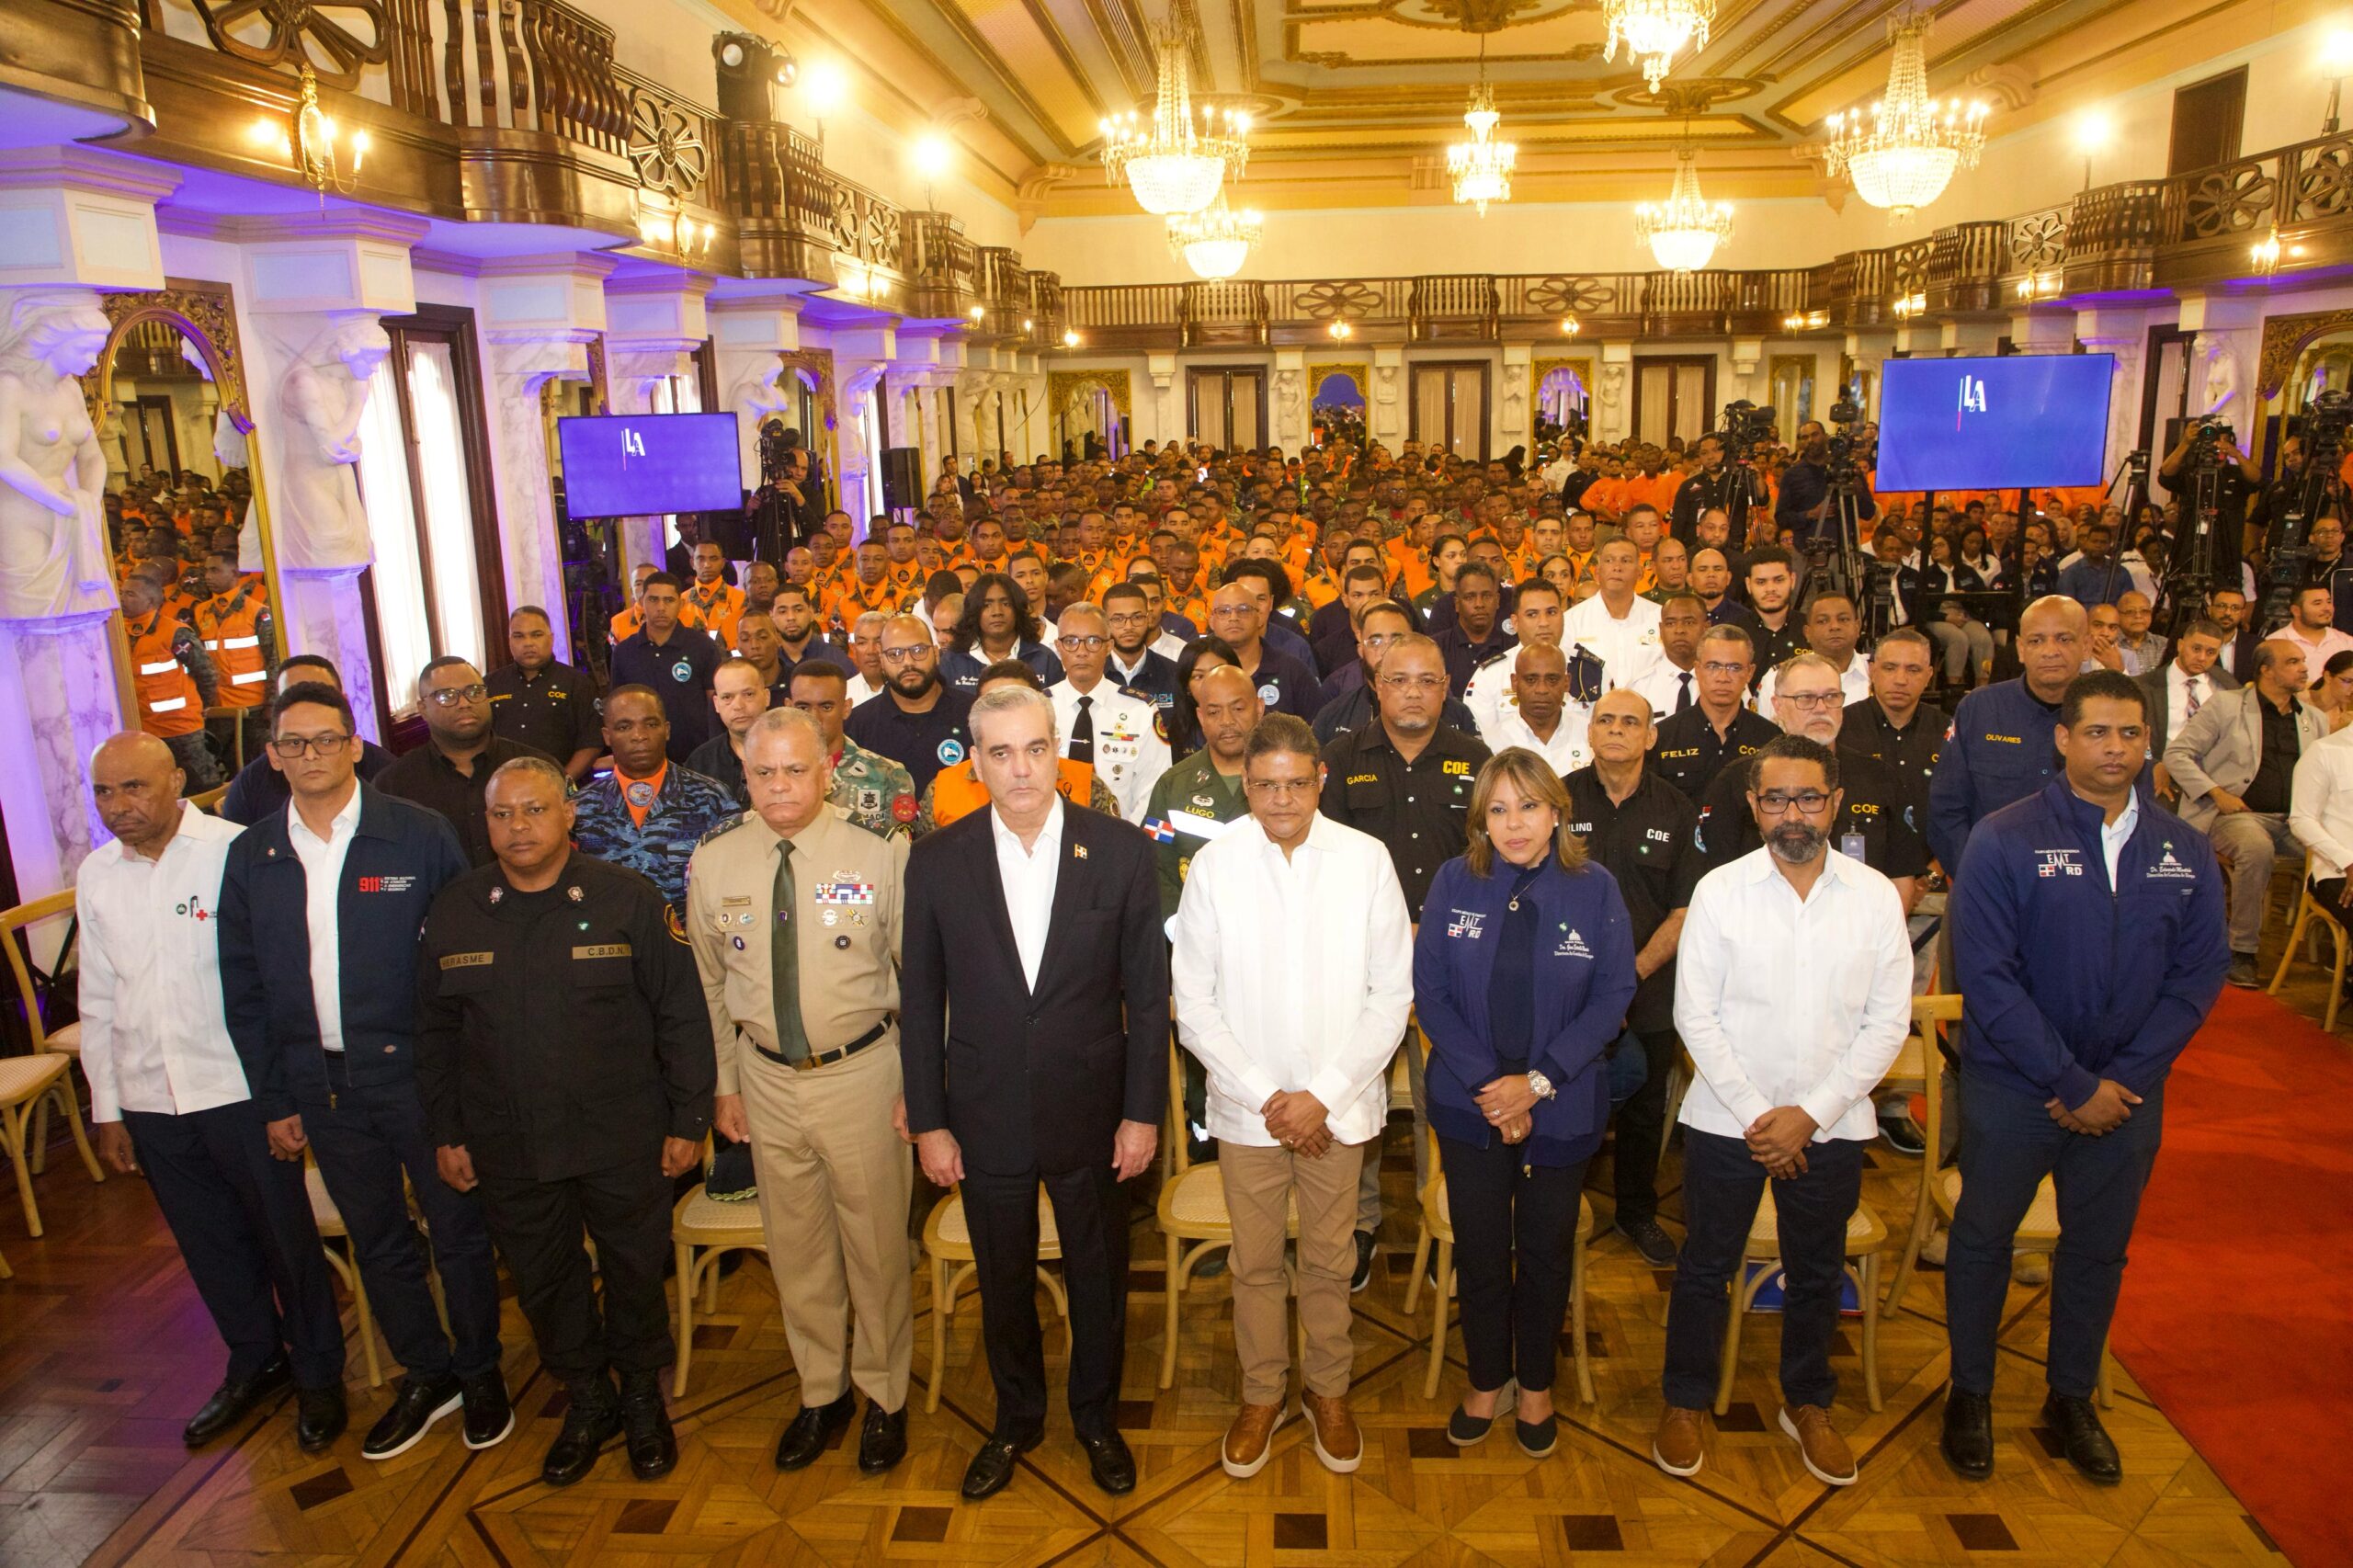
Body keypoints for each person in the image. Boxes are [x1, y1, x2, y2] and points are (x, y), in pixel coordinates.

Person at [1942, 672, 2228, 1483]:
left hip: (2126, 1096)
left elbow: (2199, 975)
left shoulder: (2182, 848)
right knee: (1983, 1242)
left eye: (2130, 734)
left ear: (2148, 743)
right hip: (2016, 1088)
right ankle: (1969, 1392)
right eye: (2097, 732)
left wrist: (2122, 1079)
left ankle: (2070, 1398)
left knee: (2098, 1252)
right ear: (2063, 739)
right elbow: (1988, 978)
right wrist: (2069, 1081)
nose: (2114, 748)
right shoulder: (2004, 837)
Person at [217, 683, 510, 1460]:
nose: (310, 754)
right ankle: (428, 1371)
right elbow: (243, 987)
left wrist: (467, 1080)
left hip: (421, 1075)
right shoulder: (252, 854)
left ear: (354, 746)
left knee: (458, 1231)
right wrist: (275, 1098)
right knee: (377, 1239)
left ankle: (481, 1370)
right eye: (293, 743)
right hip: (321, 1084)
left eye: (326, 739)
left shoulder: (416, 834)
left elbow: (465, 959)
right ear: (273, 757)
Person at [901, 685, 1166, 1501]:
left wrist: (1142, 1113)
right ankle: (1016, 1419)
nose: (1021, 769)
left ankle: (1096, 1419)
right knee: (1004, 1279)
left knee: (1098, 1276)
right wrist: (930, 1123)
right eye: (1001, 753)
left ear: (1060, 754)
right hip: (983, 1113)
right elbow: (921, 1003)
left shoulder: (1119, 851)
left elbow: (1147, 998)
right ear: (976, 766)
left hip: (1093, 1109)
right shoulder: (936, 860)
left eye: (1035, 749)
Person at [416, 758, 713, 1485]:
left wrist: (689, 1118)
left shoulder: (626, 897)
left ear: (569, 813)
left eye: (534, 810)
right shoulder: (457, 909)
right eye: (502, 814)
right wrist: (446, 1133)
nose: (518, 827)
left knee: (634, 1269)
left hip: (621, 1133)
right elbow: (433, 1036)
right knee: (545, 1279)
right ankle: (587, 1398)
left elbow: (680, 1014)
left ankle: (640, 1395)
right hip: (508, 1140)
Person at [80, 733, 347, 1454]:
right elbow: (98, 998)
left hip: (238, 1089)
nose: (117, 805)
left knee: (285, 1241)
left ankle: (319, 1372)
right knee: (209, 1244)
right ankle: (255, 1360)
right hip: (151, 1096)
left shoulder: (238, 851)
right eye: (103, 792)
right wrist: (108, 1107)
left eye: (133, 787)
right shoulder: (97, 873)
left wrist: (284, 1095)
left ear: (176, 781)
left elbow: (281, 981)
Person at [1655, 734, 1912, 1486]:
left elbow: (1887, 1023)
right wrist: (1761, 1116)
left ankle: (1809, 1403)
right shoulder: (1719, 891)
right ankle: (1684, 1401)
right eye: (1774, 799)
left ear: (1835, 803)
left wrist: (1811, 1114)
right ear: (1752, 805)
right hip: (1728, 1120)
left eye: (1807, 798)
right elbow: (1695, 1015)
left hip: (1832, 1125)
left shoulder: (1874, 896)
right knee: (1704, 1267)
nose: (1791, 814)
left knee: (1817, 1272)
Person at [1174, 713, 1413, 1478]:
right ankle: (1262, 1394)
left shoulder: (1366, 860)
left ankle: (1327, 1391)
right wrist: (1270, 1098)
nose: (1282, 799)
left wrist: (1322, 1097)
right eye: (1266, 785)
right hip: (1249, 1113)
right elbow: (1194, 1003)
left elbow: (1391, 995)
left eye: (1296, 783)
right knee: (1253, 1264)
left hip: (1337, 1112)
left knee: (1329, 1260)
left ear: (1321, 781)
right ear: (1246, 785)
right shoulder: (1216, 865)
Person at [688, 710, 917, 1478]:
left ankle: (885, 1394)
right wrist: (725, 1084)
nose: (780, 786)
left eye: (795, 770)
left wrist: (920, 1089)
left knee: (876, 1249)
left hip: (861, 1075)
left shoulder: (879, 855)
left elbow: (921, 981)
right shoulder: (715, 860)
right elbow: (709, 986)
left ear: (826, 771)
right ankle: (822, 1391)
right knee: (797, 1250)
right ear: (744, 774)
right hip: (764, 1080)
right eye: (764, 772)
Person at [1415, 748, 1636, 1454]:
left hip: (1562, 1105)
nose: (1514, 824)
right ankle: (1486, 1378)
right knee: (1481, 1251)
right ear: (1481, 818)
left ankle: (1536, 1383)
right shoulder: (1454, 881)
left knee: (1545, 1253)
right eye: (1499, 809)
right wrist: (1495, 1088)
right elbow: (1431, 995)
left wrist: (1536, 1084)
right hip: (1470, 1103)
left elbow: (1614, 997)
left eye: (1529, 806)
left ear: (1557, 813)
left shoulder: (1595, 888)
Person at [1318, 634, 1493, 1285]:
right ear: (1376, 686)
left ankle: (1438, 1217)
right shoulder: (1339, 760)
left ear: (1446, 689)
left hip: (1453, 964)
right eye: (1399, 680)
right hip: (1360, 963)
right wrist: (1392, 931)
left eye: (1426, 681)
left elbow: (1491, 863)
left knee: (1442, 1099)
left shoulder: (1478, 761)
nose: (1413, 692)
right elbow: (1325, 867)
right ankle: (1358, 1224)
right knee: (1354, 1096)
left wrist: (1437, 930)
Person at [1563, 690, 1703, 1266]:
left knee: (1645, 1109)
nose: (1616, 730)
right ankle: (1558, 1204)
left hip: (1648, 989)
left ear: (1650, 736)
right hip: (1569, 990)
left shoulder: (1678, 810)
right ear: (1590, 731)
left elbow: (1685, 910)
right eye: (1606, 720)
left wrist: (1628, 976)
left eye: (1630, 722)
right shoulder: (1557, 799)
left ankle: (1637, 1212)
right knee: (1564, 1100)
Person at [2162, 638, 2327, 987]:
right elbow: (2177, 754)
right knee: (2256, 848)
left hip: (2295, 820)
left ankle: (2338, 948)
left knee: (2339, 853)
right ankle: (2242, 950)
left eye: (2303, 661)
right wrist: (2216, 792)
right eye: (2293, 662)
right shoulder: (2227, 705)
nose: (2304, 669)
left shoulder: (2313, 718)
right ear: (2266, 670)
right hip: (2233, 815)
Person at [1927, 597, 2088, 874]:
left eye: (2064, 639)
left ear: (2086, 646)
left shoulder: (2112, 715)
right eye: (2037, 641)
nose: (2050, 651)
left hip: (2084, 884)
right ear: (2021, 649)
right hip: (1992, 879)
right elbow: (1946, 808)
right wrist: (1977, 877)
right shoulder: (1979, 709)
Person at [376, 658, 555, 867]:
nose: (464, 703)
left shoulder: (537, 768)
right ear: (423, 708)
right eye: (447, 696)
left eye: (474, 692)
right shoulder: (393, 784)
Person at [218, 655, 394, 824]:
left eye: (320, 696)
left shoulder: (387, 775)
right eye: (292, 699)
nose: (307, 710)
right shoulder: (250, 787)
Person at [1049, 601, 1172, 823]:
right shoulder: (1038, 709)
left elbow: (1154, 789)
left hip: (1121, 835)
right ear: (1058, 647)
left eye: (1093, 641)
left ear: (1109, 647)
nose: (1082, 652)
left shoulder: (1141, 710)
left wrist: (1124, 838)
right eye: (1071, 641)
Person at [843, 612, 977, 799]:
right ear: (882, 661)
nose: (908, 662)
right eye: (895, 654)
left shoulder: (974, 714)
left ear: (936, 654)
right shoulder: (857, 726)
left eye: (918, 650)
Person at [786, 662, 920, 836]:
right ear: (789, 708)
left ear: (846, 708)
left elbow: (899, 847)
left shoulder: (888, 775)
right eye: (803, 707)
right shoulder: (770, 775)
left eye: (826, 707)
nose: (814, 718)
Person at [1648, 624, 1778, 802]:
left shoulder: (1771, 739)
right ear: (1697, 669)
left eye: (1735, 668)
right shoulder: (1663, 737)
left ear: (1750, 672)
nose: (1723, 678)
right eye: (1713, 666)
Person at [121, 569, 222, 791]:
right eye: (122, 593)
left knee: (201, 788)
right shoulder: (117, 633)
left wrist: (200, 706)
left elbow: (206, 674)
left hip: (181, 728)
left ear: (150, 601)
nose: (122, 599)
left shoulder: (175, 632)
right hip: (142, 730)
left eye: (130, 594)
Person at [608, 572, 722, 761]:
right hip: (642, 754)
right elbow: (618, 708)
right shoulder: (624, 651)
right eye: (653, 600)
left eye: (669, 600)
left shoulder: (703, 646)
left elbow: (716, 702)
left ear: (681, 603)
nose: (661, 607)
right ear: (642, 602)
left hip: (696, 754)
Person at [486, 606, 603, 781]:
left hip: (562, 786)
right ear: (509, 640)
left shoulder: (578, 683)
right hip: (503, 787)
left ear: (551, 638)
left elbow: (592, 743)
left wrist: (561, 783)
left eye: (536, 635)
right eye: (519, 636)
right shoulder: (490, 684)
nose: (528, 643)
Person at [190, 551, 276, 765]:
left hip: (253, 709)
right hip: (217, 709)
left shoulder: (257, 612)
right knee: (228, 767)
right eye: (206, 571)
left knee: (257, 766)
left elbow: (274, 659)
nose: (208, 576)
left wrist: (272, 703)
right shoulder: (201, 611)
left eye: (215, 570)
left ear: (235, 573)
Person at [2138, 619, 2236, 797]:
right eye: (2196, 649)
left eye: (2211, 652)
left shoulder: (2227, 685)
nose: (2202, 658)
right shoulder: (2144, 687)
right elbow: (2134, 736)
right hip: (2165, 776)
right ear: (2180, 645)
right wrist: (2152, 764)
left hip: (2215, 778)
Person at [1563, 539, 1663, 689]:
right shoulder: (1571, 621)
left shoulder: (1660, 617)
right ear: (1597, 572)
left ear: (1640, 572)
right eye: (1609, 560)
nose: (1617, 567)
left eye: (1626, 560)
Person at [1756, 592, 1871, 711]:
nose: (1834, 626)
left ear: (1857, 627)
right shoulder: (1777, 679)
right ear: (1807, 632)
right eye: (1823, 621)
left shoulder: (1876, 672)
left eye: (1843, 619)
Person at [685, 656, 773, 802]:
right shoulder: (701, 763)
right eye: (727, 697)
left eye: (748, 694)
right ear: (716, 704)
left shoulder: (793, 751)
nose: (738, 706)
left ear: (766, 697)